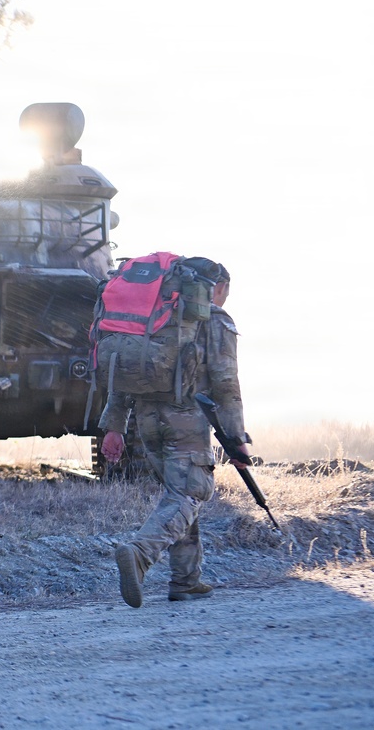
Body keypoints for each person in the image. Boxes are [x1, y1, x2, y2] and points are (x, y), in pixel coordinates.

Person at [99, 259, 249, 607]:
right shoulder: (214, 319)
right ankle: (139, 554)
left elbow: (120, 375)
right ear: (219, 288)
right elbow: (227, 384)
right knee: (191, 491)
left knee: (179, 496)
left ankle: (186, 579)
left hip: (146, 420)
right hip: (186, 419)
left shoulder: (156, 317)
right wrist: (237, 439)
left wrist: (115, 427)